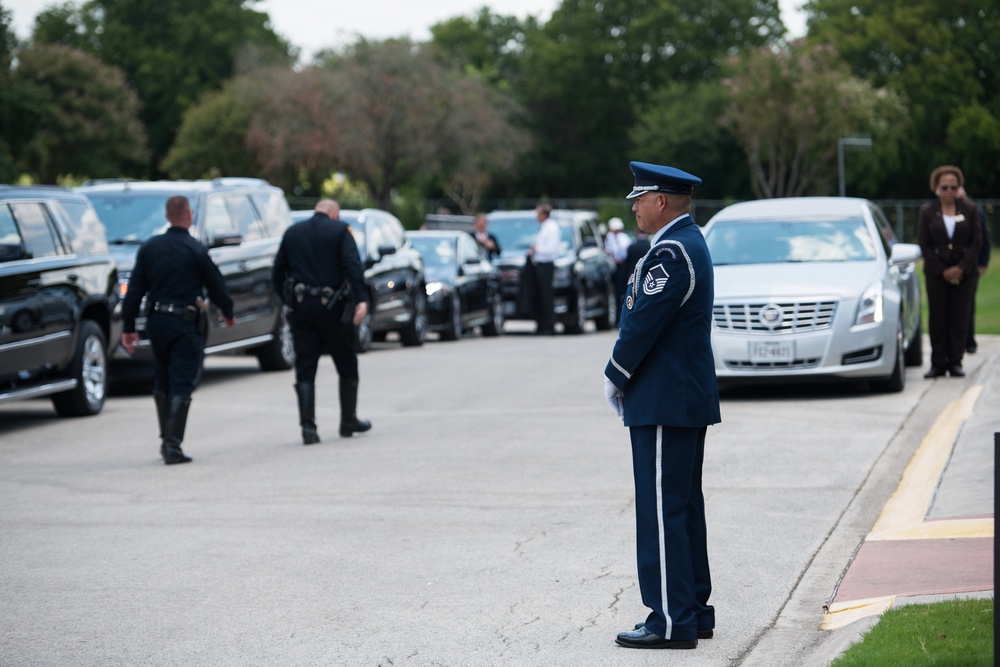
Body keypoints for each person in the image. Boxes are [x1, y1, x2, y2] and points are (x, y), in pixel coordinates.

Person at [603, 161, 720, 650]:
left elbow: (643, 325)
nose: (633, 207)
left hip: (663, 398)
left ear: (661, 201)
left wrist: (614, 375)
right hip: (679, 396)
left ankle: (670, 620)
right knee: (683, 505)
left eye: (639, 198)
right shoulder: (685, 245)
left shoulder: (672, 252)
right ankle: (692, 610)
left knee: (662, 510)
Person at [121, 196, 235, 465]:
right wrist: (227, 312)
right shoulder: (195, 249)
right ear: (188, 215)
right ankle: (173, 446)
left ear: (166, 215)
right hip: (185, 324)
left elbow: (135, 290)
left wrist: (128, 327)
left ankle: (166, 440)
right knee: (182, 381)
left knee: (162, 379)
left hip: (157, 323)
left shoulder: (149, 248)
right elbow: (216, 284)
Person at [272, 199, 371, 444]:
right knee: (346, 361)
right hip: (333, 309)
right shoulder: (340, 230)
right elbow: (352, 266)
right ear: (334, 214)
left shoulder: (292, 232)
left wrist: (288, 300)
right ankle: (348, 420)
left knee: (305, 365)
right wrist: (362, 299)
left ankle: (308, 428)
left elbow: (277, 271)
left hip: (302, 309)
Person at [916, 166, 983, 378]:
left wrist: (960, 268)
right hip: (937, 274)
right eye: (944, 186)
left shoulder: (970, 210)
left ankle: (955, 362)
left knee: (959, 317)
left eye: (953, 187)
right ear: (936, 187)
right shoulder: (927, 211)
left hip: (964, 274)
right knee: (938, 318)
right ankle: (937, 363)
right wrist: (943, 270)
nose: (949, 190)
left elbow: (976, 242)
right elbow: (924, 244)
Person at [957, 187, 990, 354]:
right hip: (952, 267)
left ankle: (969, 341)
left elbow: (983, 240)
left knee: (968, 304)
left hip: (971, 267)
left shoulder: (977, 214)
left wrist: (983, 262)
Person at [528, 203, 560, 335]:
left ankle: (549, 325)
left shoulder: (551, 228)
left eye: (538, 214)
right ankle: (542, 324)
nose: (537, 217)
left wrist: (536, 249)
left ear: (544, 214)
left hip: (546, 264)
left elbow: (551, 249)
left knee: (546, 296)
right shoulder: (543, 227)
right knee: (540, 296)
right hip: (539, 264)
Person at [604, 217, 632, 306]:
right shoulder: (609, 237)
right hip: (613, 265)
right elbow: (608, 250)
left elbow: (627, 249)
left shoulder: (624, 237)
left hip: (623, 265)